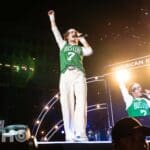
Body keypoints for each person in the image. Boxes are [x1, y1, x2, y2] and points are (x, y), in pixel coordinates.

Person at [48, 10, 93, 141]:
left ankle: (80, 133)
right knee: (66, 103)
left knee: (81, 102)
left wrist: (82, 38)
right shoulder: (63, 45)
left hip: (79, 75)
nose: (74, 34)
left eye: (75, 33)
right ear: (66, 36)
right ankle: (70, 134)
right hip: (66, 75)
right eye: (71, 33)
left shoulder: (80, 49)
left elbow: (90, 50)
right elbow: (54, 30)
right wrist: (52, 18)